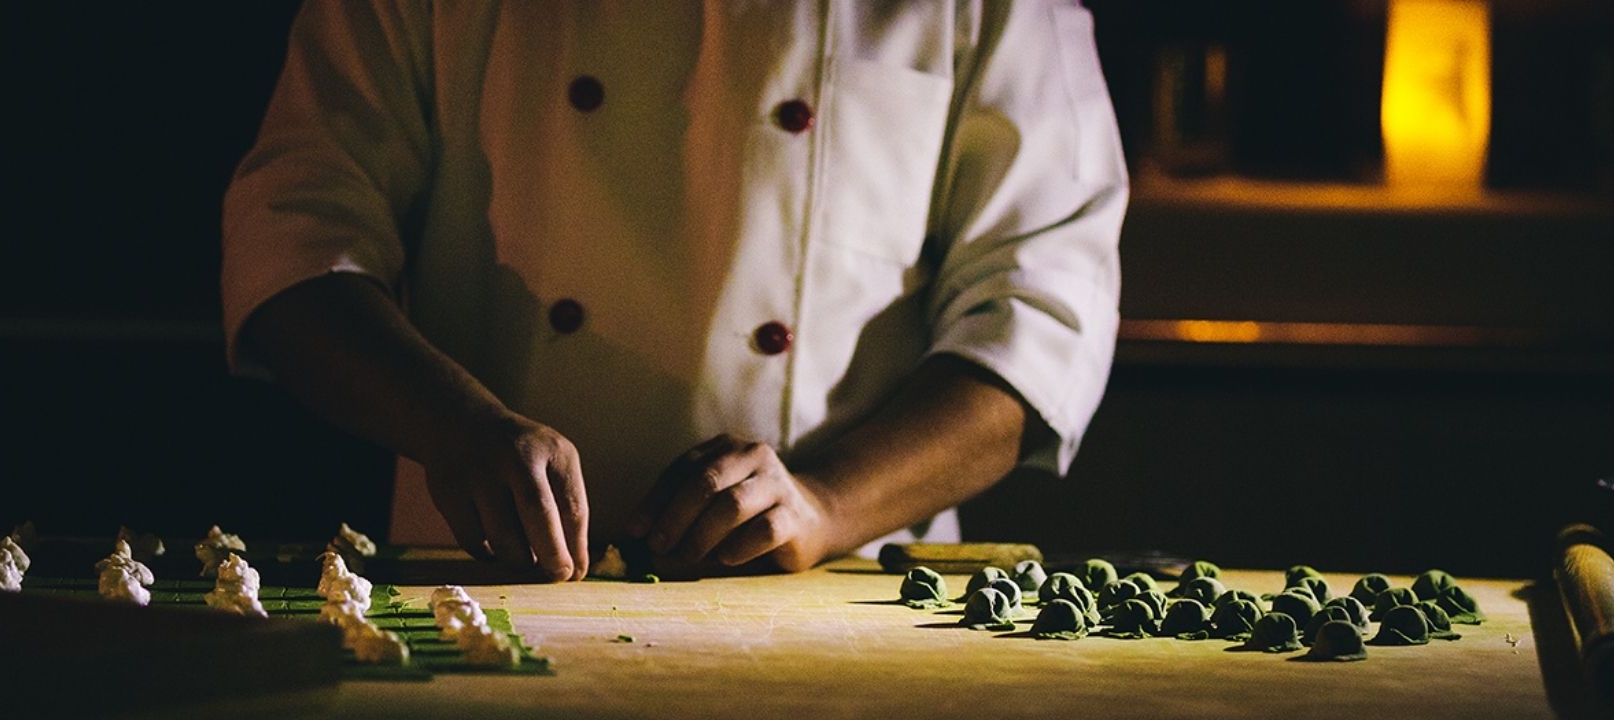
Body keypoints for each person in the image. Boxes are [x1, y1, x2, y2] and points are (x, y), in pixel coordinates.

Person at [223, 1, 1127, 581]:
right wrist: (449, 423)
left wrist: (827, 502)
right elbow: (294, 237)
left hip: (843, 600)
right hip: (484, 582)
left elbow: (1042, 310)